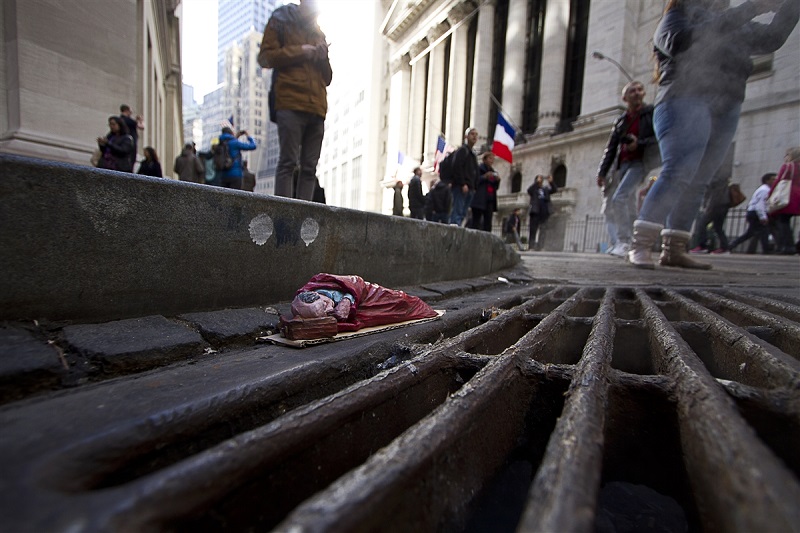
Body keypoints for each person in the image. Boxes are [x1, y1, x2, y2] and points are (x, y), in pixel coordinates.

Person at [627, 0, 799, 270]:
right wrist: (752, 8)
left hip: (726, 104)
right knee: (679, 170)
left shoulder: (735, 24)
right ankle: (641, 244)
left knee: (700, 179)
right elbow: (678, 42)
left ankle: (675, 247)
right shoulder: (678, 16)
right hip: (684, 98)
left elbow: (771, 38)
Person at [258, 0, 332, 201]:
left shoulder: (319, 33)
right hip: (290, 102)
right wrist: (303, 51)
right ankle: (284, 216)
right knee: (288, 162)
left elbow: (328, 78)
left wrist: (322, 56)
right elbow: (265, 57)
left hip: (317, 107)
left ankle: (304, 218)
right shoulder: (281, 20)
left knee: (309, 168)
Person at [595, 81, 658, 258]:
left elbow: (658, 139)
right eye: (632, 91)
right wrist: (602, 172)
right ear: (625, 97)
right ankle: (631, 242)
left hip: (640, 163)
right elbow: (611, 147)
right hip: (622, 166)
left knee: (619, 198)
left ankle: (624, 241)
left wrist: (639, 144)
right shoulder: (621, 121)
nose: (637, 93)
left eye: (640, 90)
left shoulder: (650, 113)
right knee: (628, 203)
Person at [727, 173, 777, 254]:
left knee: (751, 232)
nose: (775, 181)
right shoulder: (765, 190)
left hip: (753, 212)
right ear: (767, 181)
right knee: (763, 231)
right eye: (773, 179)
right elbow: (760, 204)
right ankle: (766, 249)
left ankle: (732, 245)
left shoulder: (765, 189)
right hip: (755, 213)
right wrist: (763, 216)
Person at [767, 146, 800, 254]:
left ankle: (788, 246)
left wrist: (770, 194)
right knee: (786, 221)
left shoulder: (788, 166)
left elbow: (778, 182)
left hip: (789, 195)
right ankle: (792, 246)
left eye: (787, 155)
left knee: (783, 221)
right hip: (798, 195)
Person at [688, 174, 732, 254]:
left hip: (715, 206)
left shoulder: (714, 180)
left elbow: (711, 194)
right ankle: (725, 248)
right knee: (718, 227)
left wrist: (707, 207)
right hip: (723, 205)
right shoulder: (723, 182)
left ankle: (702, 246)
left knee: (701, 224)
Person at [450, 127, 480, 226]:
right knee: (457, 212)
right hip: (461, 187)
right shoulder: (462, 151)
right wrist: (463, 183)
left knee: (462, 213)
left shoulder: (473, 154)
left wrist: (474, 186)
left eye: (476, 134)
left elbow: (475, 171)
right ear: (466, 136)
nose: (474, 136)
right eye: (472, 134)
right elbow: (456, 167)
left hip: (470, 188)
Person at [471, 152, 501, 232]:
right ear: (485, 159)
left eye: (493, 159)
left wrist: (497, 181)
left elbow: (496, 187)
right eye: (490, 158)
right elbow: (474, 181)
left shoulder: (493, 171)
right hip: (479, 199)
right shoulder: (479, 169)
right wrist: (484, 177)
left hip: (490, 199)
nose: (492, 161)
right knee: (476, 221)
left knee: (488, 221)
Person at [527, 174, 558, 250]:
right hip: (535, 210)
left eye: (541, 178)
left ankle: (540, 246)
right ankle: (531, 246)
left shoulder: (545, 189)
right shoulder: (534, 189)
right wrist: (536, 183)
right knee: (533, 229)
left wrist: (551, 182)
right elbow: (529, 190)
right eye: (539, 178)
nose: (541, 180)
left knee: (543, 229)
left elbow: (554, 190)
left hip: (544, 210)